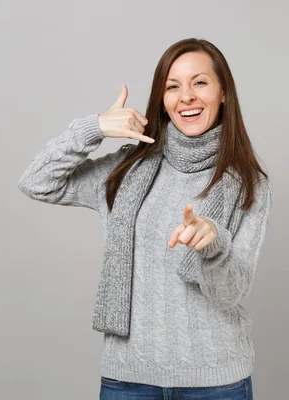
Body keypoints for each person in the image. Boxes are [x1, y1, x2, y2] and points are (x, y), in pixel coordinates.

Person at [18, 38, 271, 399]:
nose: (186, 96)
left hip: (215, 381)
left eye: (199, 82)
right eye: (173, 86)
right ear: (163, 100)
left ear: (223, 92)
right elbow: (36, 182)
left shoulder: (248, 182)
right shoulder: (126, 168)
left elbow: (231, 291)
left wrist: (214, 244)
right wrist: (94, 128)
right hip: (128, 379)